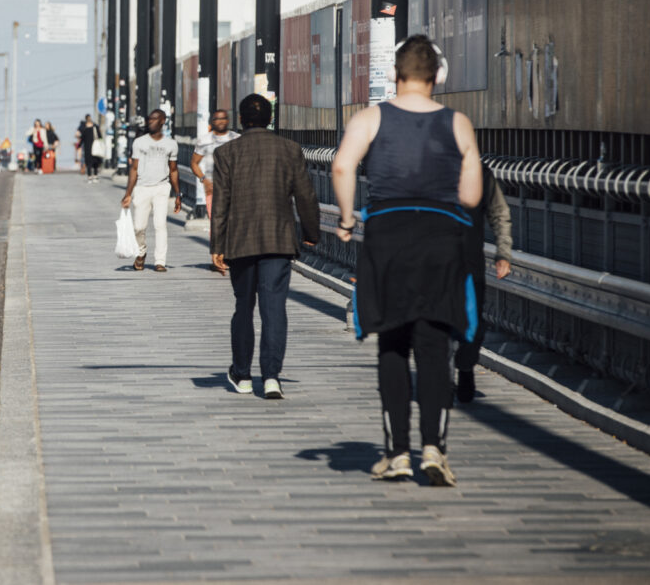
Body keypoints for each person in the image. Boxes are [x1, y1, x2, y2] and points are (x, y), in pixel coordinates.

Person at [333, 35, 482, 487]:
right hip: (440, 240)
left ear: (396, 76)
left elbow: (342, 167)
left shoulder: (370, 118)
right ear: (436, 77)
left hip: (388, 238)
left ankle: (397, 452)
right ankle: (433, 449)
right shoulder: (459, 124)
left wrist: (346, 218)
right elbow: (471, 196)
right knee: (435, 346)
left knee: (393, 344)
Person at [209, 95, 320, 399]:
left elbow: (221, 204)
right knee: (274, 310)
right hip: (278, 240)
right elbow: (306, 195)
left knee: (243, 307)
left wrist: (216, 246)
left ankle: (242, 376)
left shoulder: (225, 152)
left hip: (240, 241)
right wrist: (311, 232)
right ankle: (271, 377)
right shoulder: (289, 150)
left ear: (241, 120)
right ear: (270, 119)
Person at [455, 163, 513, 403]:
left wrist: (503, 253)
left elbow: (499, 212)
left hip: (469, 265)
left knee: (475, 326)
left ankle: (465, 367)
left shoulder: (478, 171)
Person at [120, 109, 181, 272]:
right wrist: (128, 193)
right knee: (138, 227)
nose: (151, 121)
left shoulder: (171, 144)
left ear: (163, 121)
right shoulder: (139, 142)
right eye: (149, 119)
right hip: (142, 187)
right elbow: (134, 168)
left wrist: (178, 195)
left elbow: (173, 170)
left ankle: (160, 261)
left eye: (155, 119)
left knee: (160, 225)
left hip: (162, 187)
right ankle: (141, 253)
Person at [191, 109, 240, 218]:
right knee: (215, 224)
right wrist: (204, 180)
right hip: (213, 188)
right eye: (217, 119)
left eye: (223, 118)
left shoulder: (236, 138)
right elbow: (194, 163)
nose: (221, 121)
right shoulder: (204, 140)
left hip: (234, 188)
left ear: (228, 120)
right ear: (212, 121)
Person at [78, 114, 104, 182]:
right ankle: (95, 176)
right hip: (96, 148)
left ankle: (89, 177)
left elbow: (82, 139)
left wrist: (79, 146)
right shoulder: (95, 128)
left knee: (88, 163)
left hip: (88, 149)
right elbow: (100, 137)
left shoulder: (85, 129)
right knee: (95, 163)